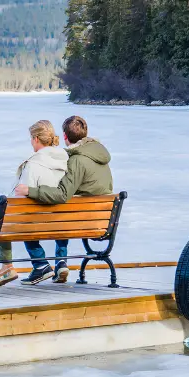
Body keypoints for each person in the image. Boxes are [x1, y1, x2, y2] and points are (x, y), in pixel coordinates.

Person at [14, 114, 113, 284]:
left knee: (60, 207)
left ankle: (43, 264)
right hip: (99, 221)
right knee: (65, 211)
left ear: (65, 136)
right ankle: (60, 261)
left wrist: (30, 190)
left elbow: (61, 195)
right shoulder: (101, 157)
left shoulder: (76, 160)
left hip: (77, 221)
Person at [0, 119, 67, 288]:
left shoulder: (33, 164)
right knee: (1, 213)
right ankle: (7, 267)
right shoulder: (65, 162)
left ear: (36, 139)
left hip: (31, 223)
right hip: (57, 223)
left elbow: (19, 198)